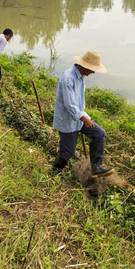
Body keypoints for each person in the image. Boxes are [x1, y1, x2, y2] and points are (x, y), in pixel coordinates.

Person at [52, 51, 114, 179]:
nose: (93, 72)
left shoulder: (81, 77)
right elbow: (69, 103)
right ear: (84, 66)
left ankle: (96, 168)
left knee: (99, 134)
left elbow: (79, 103)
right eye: (92, 69)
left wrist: (85, 117)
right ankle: (55, 173)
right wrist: (83, 118)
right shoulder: (68, 77)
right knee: (68, 152)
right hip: (68, 119)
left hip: (79, 118)